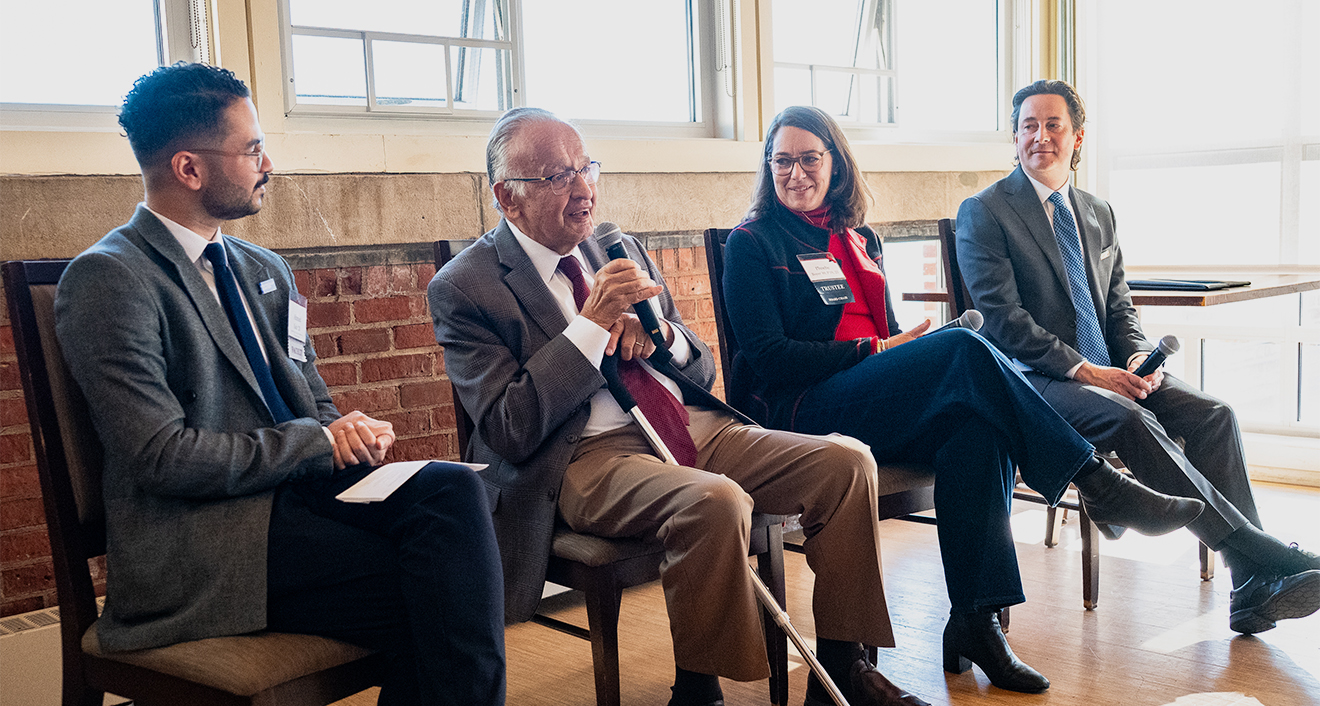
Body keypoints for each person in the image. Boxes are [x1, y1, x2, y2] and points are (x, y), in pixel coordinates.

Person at [430, 107, 931, 706]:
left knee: (847, 463)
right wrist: (588, 331)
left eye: (586, 168)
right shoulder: (466, 286)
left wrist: (661, 334)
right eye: (557, 177)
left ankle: (844, 669)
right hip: (582, 457)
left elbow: (702, 367)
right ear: (506, 197)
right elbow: (510, 428)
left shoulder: (616, 246)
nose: (583, 189)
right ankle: (699, 690)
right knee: (715, 501)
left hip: (684, 423)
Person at [54, 62, 505, 706]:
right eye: (254, 148)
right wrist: (317, 444)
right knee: (440, 590)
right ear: (190, 168)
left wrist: (343, 433)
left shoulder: (261, 266)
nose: (269, 163)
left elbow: (311, 396)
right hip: (204, 541)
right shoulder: (109, 279)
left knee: (453, 490)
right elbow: (160, 457)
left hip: (296, 499)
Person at [722, 105, 1206, 694]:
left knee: (976, 425)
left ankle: (977, 623)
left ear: (836, 164)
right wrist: (873, 352)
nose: (795, 172)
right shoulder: (752, 243)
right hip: (803, 411)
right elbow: (770, 361)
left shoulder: (860, 238)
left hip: (868, 400)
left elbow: (892, 341)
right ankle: (1095, 482)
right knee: (963, 347)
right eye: (782, 161)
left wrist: (889, 351)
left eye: (809, 158)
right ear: (767, 168)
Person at [956, 79, 1320, 636]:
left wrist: (1133, 360)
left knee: (1214, 413)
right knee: (1126, 417)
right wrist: (1087, 372)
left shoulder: (1098, 212)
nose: (1040, 136)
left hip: (1110, 371)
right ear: (1014, 136)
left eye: (1053, 125)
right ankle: (1260, 557)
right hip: (1035, 382)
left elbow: (1119, 306)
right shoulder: (985, 212)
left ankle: (1249, 582)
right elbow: (1004, 322)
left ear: (1077, 137)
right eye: (1028, 125)